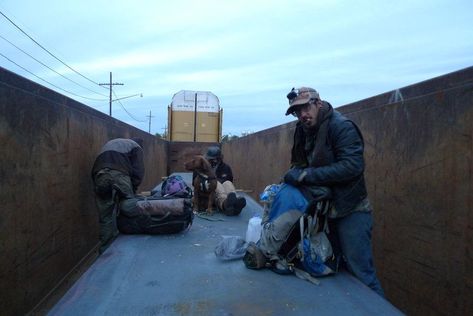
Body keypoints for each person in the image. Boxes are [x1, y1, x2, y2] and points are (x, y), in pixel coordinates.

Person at [282, 87, 385, 297]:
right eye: (297, 111)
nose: (302, 115)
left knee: (362, 274)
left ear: (318, 103)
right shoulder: (302, 129)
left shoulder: (342, 126)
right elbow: (299, 163)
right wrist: (292, 176)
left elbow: (353, 166)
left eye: (306, 108)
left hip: (350, 209)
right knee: (333, 267)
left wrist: (306, 176)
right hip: (323, 209)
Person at [91, 137, 144, 253]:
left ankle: (106, 251)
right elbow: (138, 171)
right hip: (120, 175)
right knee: (130, 210)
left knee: (106, 216)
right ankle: (129, 248)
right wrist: (133, 190)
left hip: (100, 175)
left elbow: (96, 166)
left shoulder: (111, 143)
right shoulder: (136, 147)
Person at [205, 146, 246, 216]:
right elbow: (195, 182)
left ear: (219, 158)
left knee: (228, 183)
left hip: (221, 188)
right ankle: (225, 204)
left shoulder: (226, 167)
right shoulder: (202, 166)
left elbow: (229, 179)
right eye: (211, 159)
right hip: (208, 190)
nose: (213, 161)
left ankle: (235, 202)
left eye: (214, 159)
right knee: (216, 183)